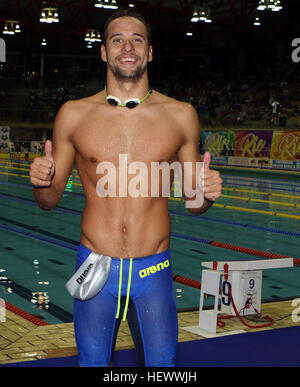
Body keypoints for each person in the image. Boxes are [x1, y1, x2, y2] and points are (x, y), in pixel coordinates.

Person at [29, 10, 222, 367]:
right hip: (94, 265)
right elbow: (49, 200)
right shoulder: (73, 114)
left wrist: (205, 194)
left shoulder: (180, 115)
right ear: (104, 52)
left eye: (137, 39)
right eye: (117, 39)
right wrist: (42, 182)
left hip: (153, 271)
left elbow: (194, 203)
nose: (127, 46)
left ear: (150, 52)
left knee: (162, 369)